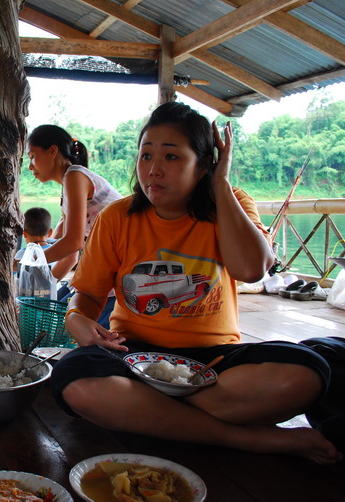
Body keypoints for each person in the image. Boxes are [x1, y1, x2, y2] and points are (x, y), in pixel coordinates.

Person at [52, 101, 341, 465]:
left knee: (306, 372)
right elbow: (89, 294)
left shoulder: (232, 203)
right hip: (133, 353)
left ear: (204, 164)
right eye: (145, 156)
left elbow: (252, 269)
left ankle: (157, 410)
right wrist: (75, 317)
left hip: (215, 358)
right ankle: (244, 438)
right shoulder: (118, 216)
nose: (153, 170)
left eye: (172, 157)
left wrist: (219, 184)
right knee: (75, 381)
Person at [26, 125, 122, 325]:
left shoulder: (75, 176)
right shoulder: (69, 186)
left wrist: (29, 262)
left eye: (33, 156)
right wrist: (45, 288)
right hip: (107, 270)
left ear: (53, 151)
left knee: (66, 321)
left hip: (120, 275)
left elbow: (74, 242)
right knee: (52, 308)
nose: (30, 166)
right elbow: (70, 258)